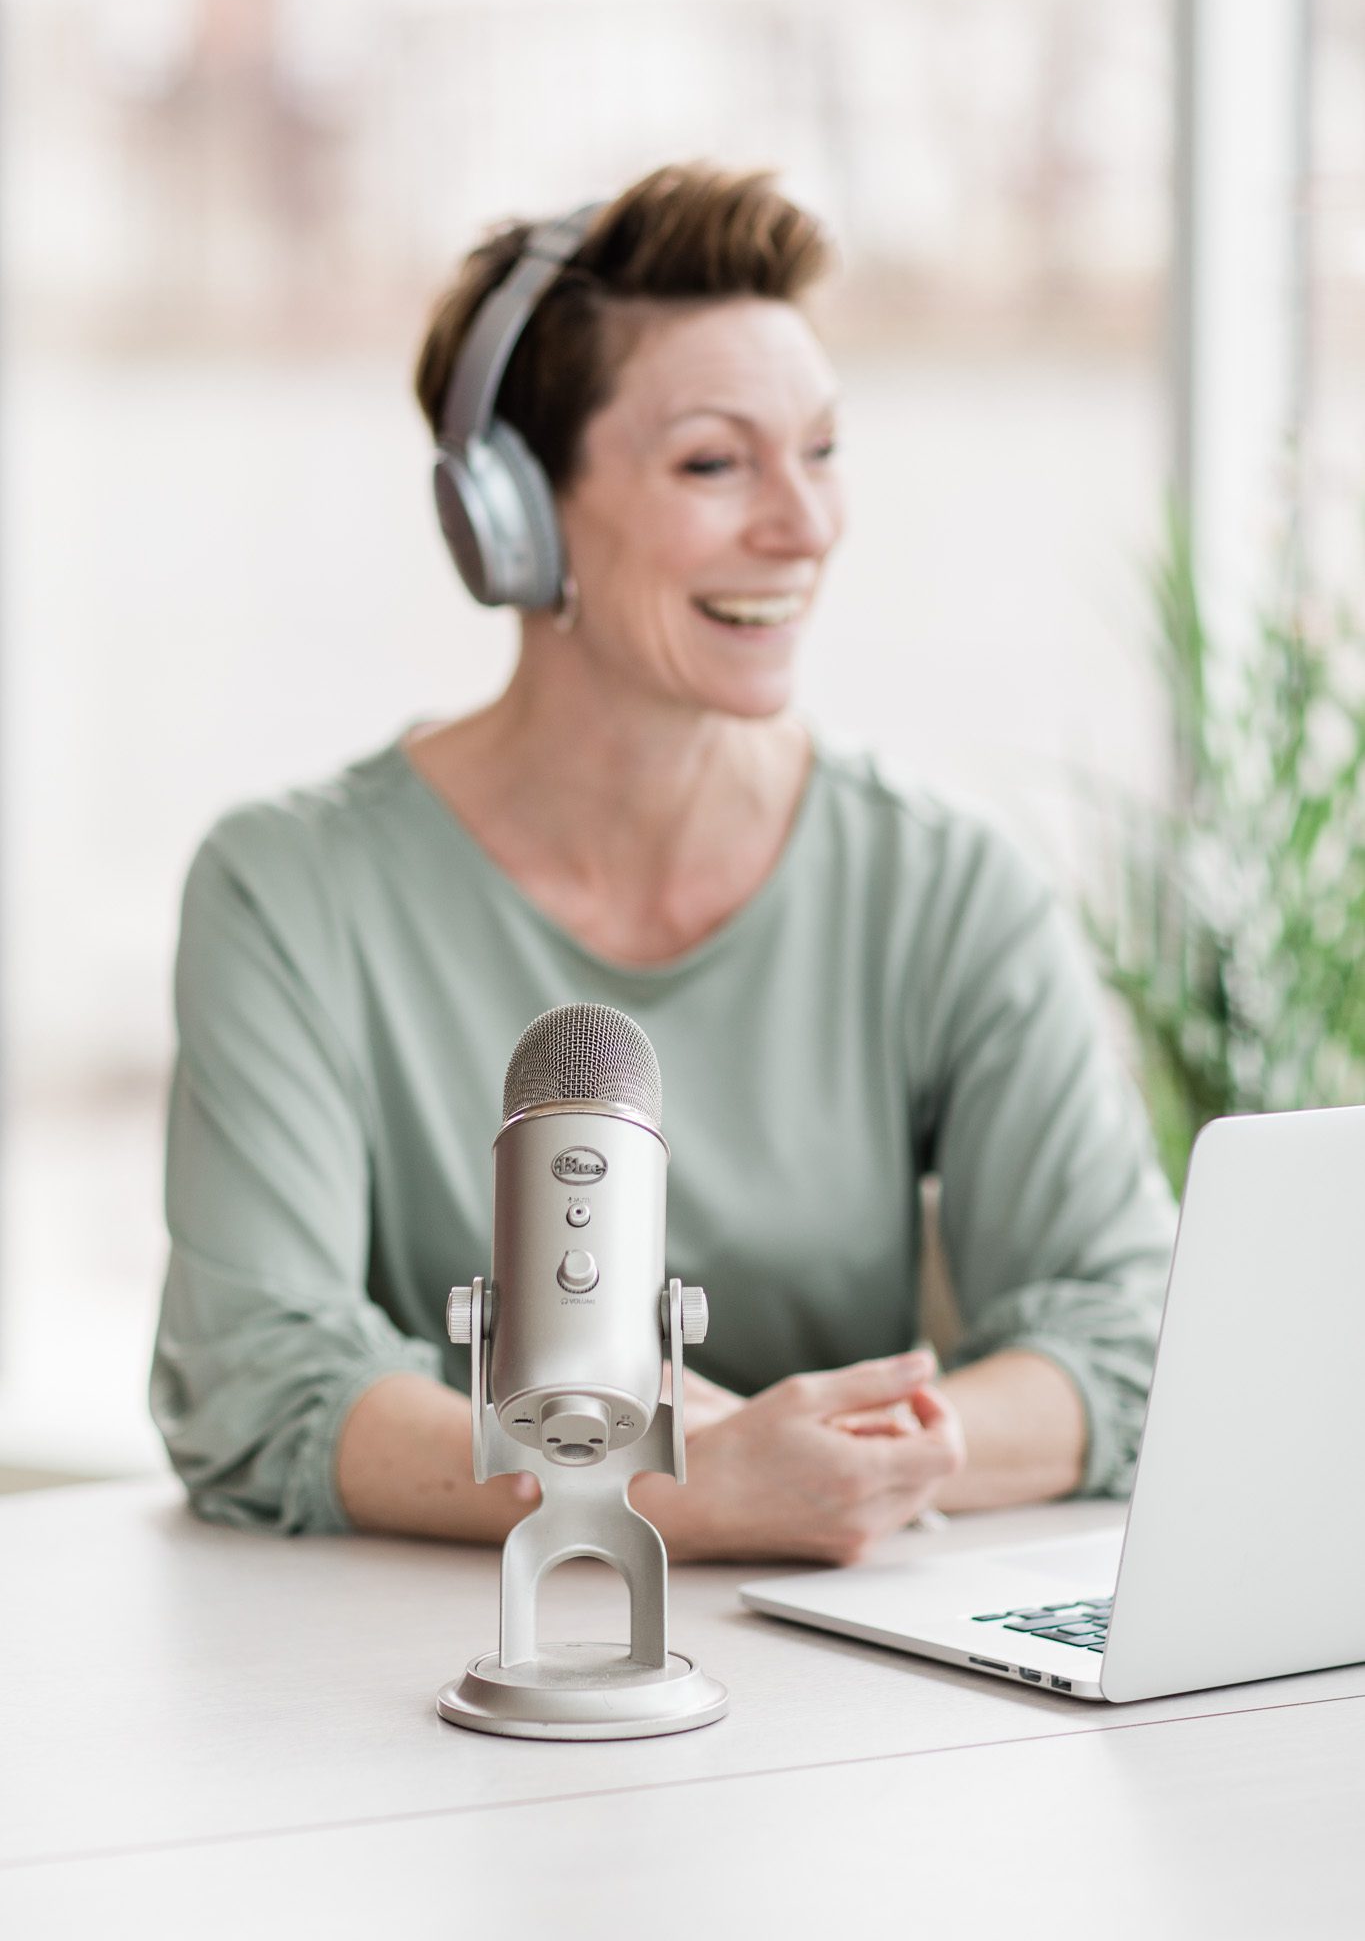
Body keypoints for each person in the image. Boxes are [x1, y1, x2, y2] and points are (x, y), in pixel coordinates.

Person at [150, 162, 1176, 1565]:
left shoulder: (944, 889)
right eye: (714, 463)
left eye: (821, 451)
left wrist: (840, 1467)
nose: (805, 525)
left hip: (853, 1663)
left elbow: (1131, 1333)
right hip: (432, 1660)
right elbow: (254, 1378)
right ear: (511, 516)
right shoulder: (289, 893)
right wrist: (671, 1485)